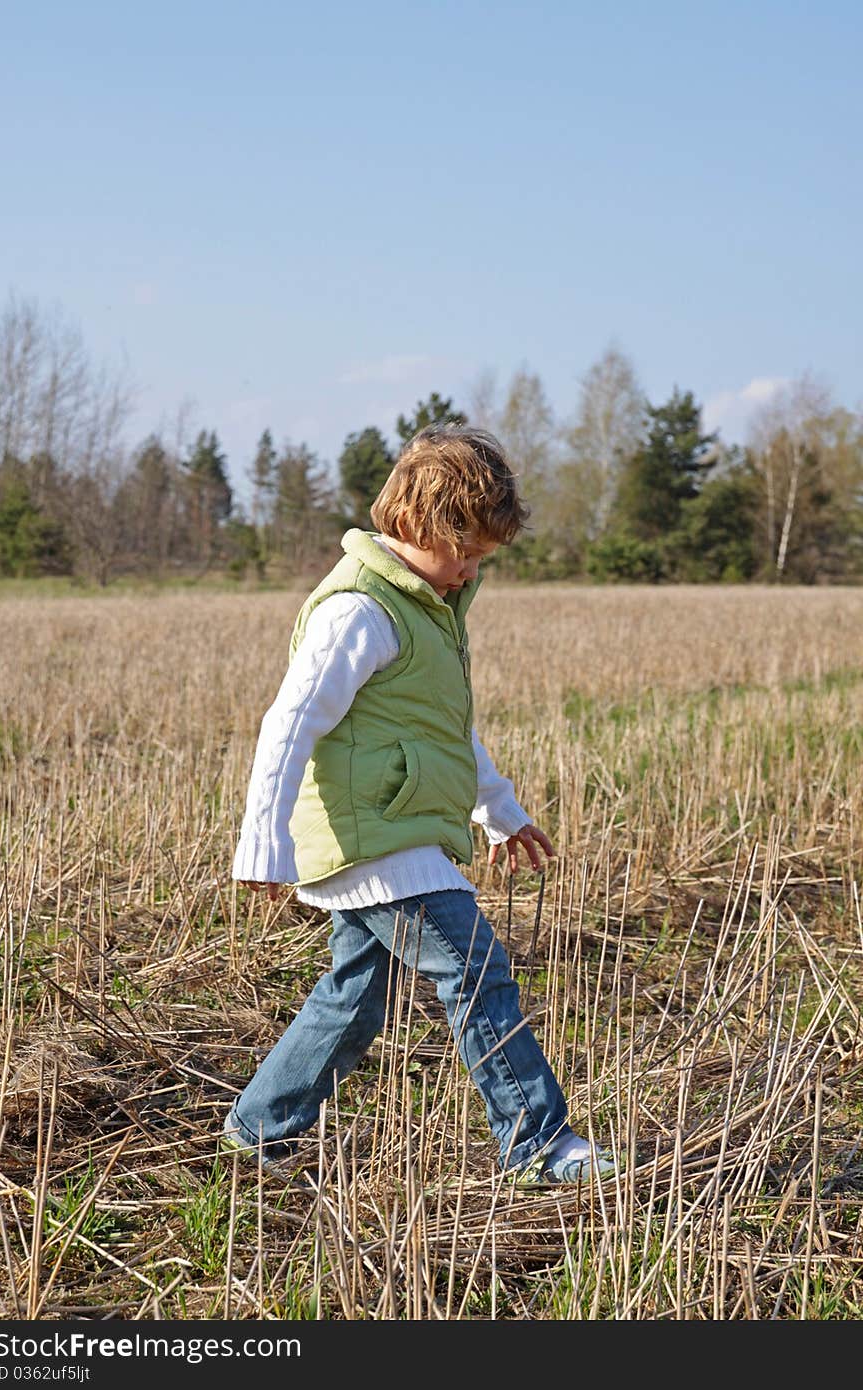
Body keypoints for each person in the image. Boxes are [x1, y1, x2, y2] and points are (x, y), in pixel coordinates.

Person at [224, 424, 615, 1186]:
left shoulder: (429, 609)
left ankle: (259, 1126)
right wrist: (262, 844)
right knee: (476, 968)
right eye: (462, 553)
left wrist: (498, 808)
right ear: (415, 524)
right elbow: (289, 723)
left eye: (482, 559)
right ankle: (538, 1142)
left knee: (356, 994)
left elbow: (444, 729)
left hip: (396, 831)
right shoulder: (360, 612)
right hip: (376, 839)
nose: (470, 572)